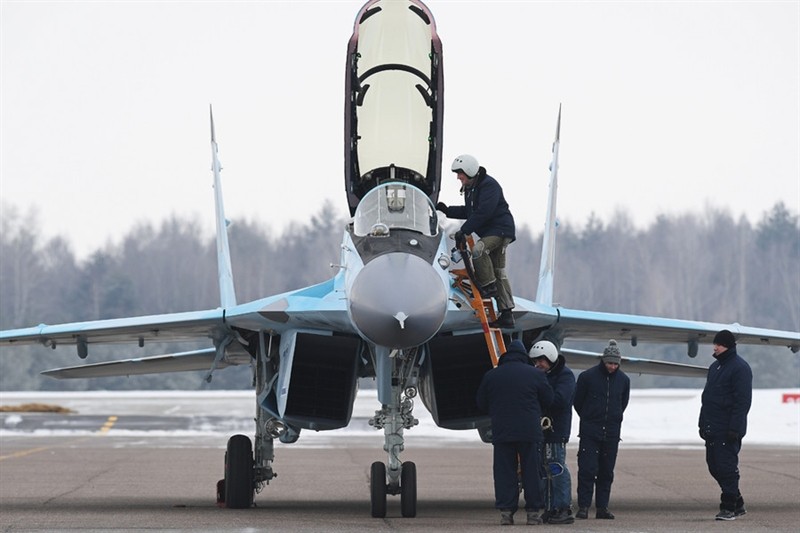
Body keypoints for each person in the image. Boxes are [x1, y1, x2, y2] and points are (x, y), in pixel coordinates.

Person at [476, 339, 554, 525]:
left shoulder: (491, 376)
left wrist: (497, 412)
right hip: (529, 431)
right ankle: (533, 513)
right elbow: (549, 399)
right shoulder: (535, 375)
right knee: (532, 472)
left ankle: (506, 513)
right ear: (523, 356)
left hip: (502, 431)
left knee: (504, 472)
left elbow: (480, 403)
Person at [436, 154, 516, 328]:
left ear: (469, 171)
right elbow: (470, 211)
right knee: (499, 272)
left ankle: (488, 286)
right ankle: (507, 314)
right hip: (491, 232)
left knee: (478, 251)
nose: (458, 177)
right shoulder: (472, 188)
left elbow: (483, 212)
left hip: (500, 230)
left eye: (460, 174)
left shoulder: (489, 186)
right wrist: (447, 209)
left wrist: (464, 231)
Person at [698, 329, 753, 521]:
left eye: (719, 344)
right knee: (713, 466)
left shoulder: (740, 368)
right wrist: (702, 423)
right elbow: (707, 398)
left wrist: (735, 429)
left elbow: (743, 402)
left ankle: (728, 507)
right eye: (715, 344)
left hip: (728, 428)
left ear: (728, 346)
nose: (715, 347)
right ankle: (738, 502)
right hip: (712, 427)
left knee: (726, 467)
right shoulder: (715, 368)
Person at [573, 339, 630, 520]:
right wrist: (590, 417)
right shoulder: (587, 377)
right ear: (603, 361)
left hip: (611, 433)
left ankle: (602, 507)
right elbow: (578, 402)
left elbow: (623, 403)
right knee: (587, 470)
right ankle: (583, 506)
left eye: (615, 364)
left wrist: (613, 418)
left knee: (606, 472)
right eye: (609, 363)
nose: (612, 367)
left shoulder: (624, 380)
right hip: (590, 432)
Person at [529, 340, 576, 525]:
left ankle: (563, 508)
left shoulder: (565, 376)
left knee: (556, 467)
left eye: (542, 360)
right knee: (545, 469)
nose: (538, 364)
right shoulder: (540, 376)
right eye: (535, 361)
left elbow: (560, 401)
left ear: (550, 358)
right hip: (541, 430)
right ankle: (550, 508)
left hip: (556, 430)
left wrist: (539, 393)